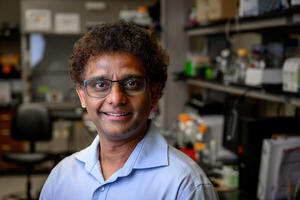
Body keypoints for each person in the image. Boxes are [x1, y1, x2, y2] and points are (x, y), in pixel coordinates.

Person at [39, 21, 219, 200]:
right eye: (100, 84)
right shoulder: (61, 177)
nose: (116, 99)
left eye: (131, 83)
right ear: (82, 96)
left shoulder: (185, 186)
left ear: (154, 94)